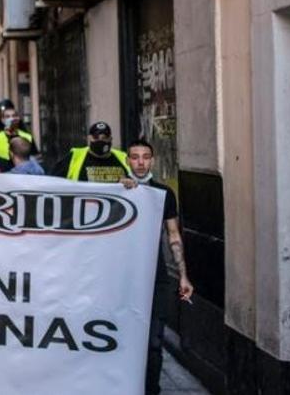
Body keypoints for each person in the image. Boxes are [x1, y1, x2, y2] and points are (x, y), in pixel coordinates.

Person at [124, 140, 194, 395]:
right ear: (127, 160)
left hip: (156, 278)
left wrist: (183, 276)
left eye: (145, 157)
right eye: (134, 157)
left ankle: (151, 390)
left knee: (153, 343)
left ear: (152, 160)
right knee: (125, 342)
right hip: (122, 279)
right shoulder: (117, 190)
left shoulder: (164, 194)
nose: (140, 162)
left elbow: (173, 236)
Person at [51, 122, 132, 183]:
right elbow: (53, 180)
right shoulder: (75, 156)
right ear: (89, 138)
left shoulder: (123, 158)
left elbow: (138, 180)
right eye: (96, 137)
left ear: (110, 139)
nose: (100, 140)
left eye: (105, 137)